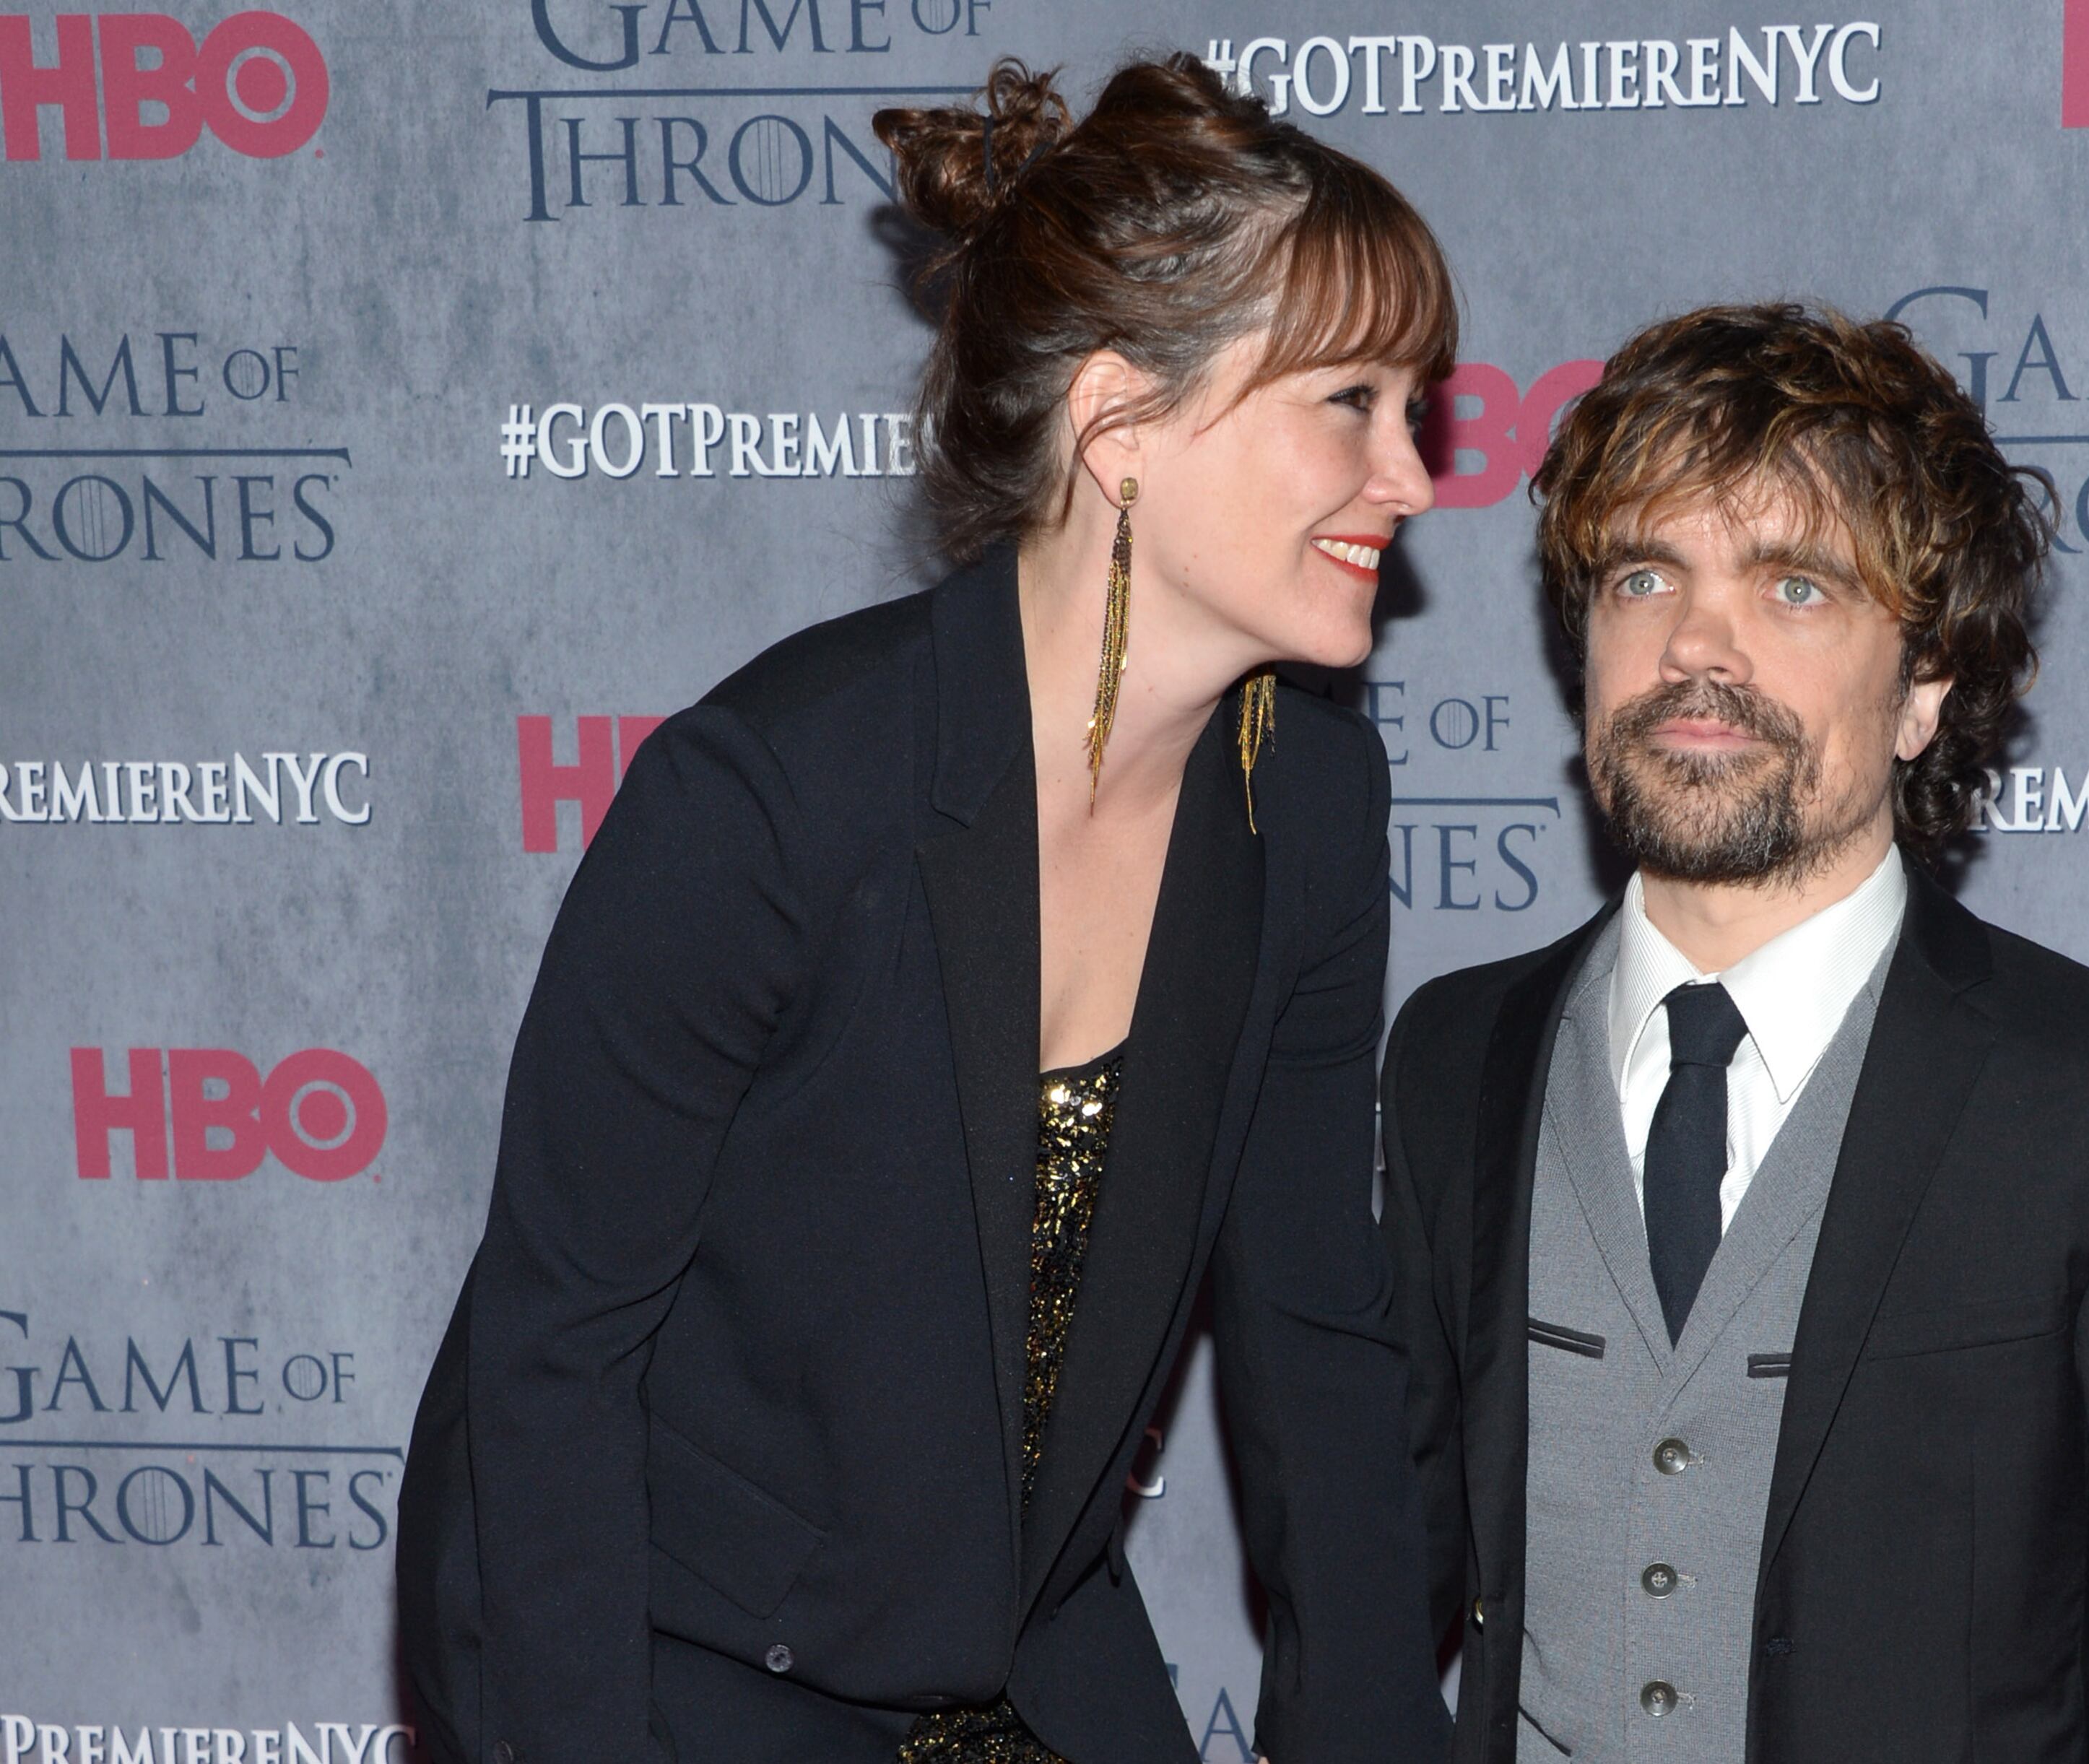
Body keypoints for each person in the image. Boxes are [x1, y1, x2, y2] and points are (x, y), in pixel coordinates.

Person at [399, 56, 1458, 1764]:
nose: (1410, 476)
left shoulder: (1308, 801)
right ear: (1123, 426)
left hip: (1030, 1654)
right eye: (1348, 401)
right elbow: (552, 1362)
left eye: (1418, 407)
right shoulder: (771, 794)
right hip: (678, 1654)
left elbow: (1314, 1340)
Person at [1381, 304, 2089, 1763]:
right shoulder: (1453, 1054)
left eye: (1795, 587)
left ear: (1925, 684)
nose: (1696, 643)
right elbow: (1383, 1585)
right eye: (1642, 574)